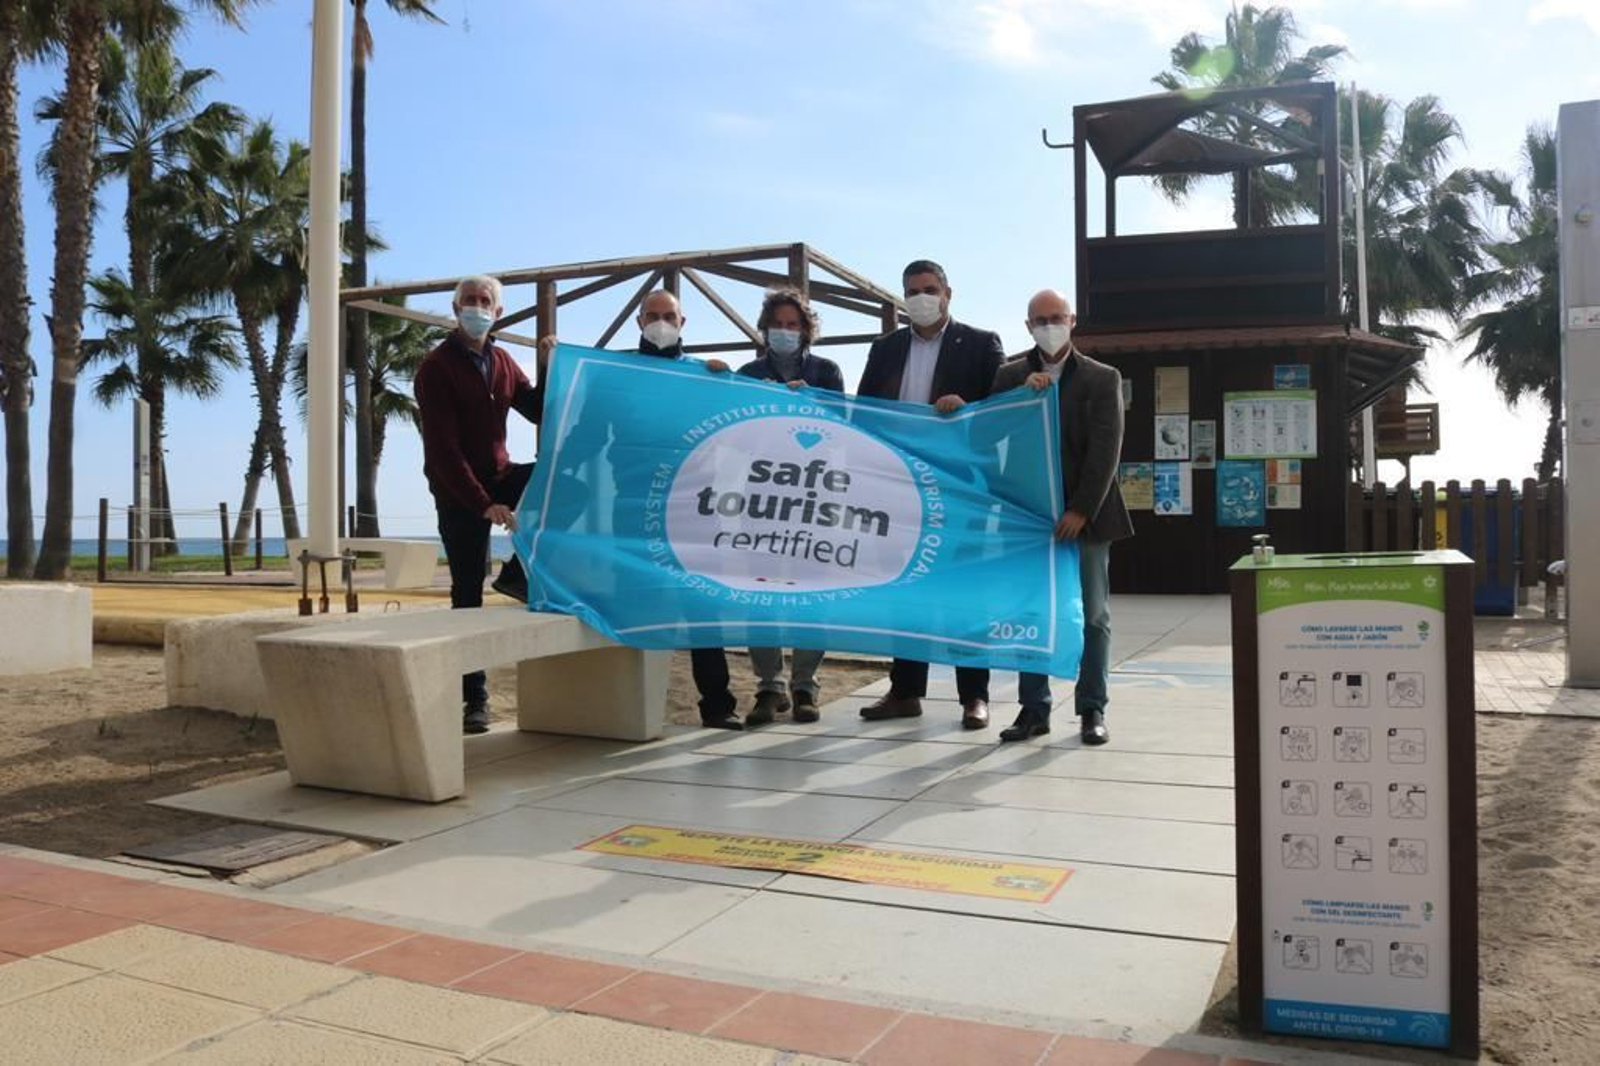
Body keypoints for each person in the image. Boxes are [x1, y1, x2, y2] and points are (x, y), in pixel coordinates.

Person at [544, 289, 746, 730]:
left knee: (702, 609)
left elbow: (739, 429)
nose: (660, 323)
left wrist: (727, 384)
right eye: (652, 315)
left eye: (668, 315)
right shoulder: (614, 375)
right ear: (638, 322)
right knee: (634, 604)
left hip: (695, 510)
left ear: (682, 322)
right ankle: (626, 709)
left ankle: (718, 706)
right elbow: (587, 437)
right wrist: (552, 474)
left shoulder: (704, 375)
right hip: (632, 508)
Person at [855, 259, 1005, 730]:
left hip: (962, 490)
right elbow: (863, 412)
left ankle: (974, 697)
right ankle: (904, 691)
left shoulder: (981, 344)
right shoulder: (886, 348)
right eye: (912, 290)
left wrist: (967, 410)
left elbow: (1001, 413)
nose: (920, 297)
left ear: (947, 293)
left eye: (929, 288)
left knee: (966, 593)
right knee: (907, 589)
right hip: (901, 491)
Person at [991, 288, 1132, 746]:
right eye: (1039, 319)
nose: (1049, 326)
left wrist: (1080, 509)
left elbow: (1105, 450)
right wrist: (1020, 398)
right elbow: (989, 435)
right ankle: (1034, 708)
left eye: (1057, 317)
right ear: (1028, 326)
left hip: (1087, 518)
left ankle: (1092, 708)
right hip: (1029, 519)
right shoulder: (1010, 375)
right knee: (1032, 613)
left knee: (1093, 616)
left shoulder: (1101, 377)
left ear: (1072, 321)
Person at [414, 274, 545, 735]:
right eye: (468, 301)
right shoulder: (436, 366)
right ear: (455, 310)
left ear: (499, 311)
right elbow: (443, 451)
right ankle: (475, 699)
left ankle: (518, 575)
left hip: (500, 475)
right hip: (457, 491)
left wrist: (554, 364)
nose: (476, 307)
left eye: (484, 301)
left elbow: (539, 408)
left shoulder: (505, 361)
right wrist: (484, 504)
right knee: (467, 591)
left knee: (555, 479)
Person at [735, 288, 846, 726]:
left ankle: (805, 687)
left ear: (806, 330)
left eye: (793, 324)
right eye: (777, 324)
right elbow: (736, 438)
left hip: (812, 499)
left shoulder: (827, 371)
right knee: (760, 596)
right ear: (765, 328)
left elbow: (843, 430)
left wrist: (811, 403)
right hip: (760, 501)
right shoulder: (747, 373)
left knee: (811, 594)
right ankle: (768, 687)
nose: (784, 331)